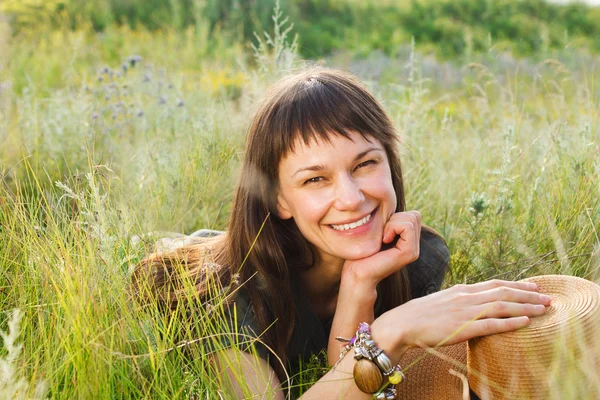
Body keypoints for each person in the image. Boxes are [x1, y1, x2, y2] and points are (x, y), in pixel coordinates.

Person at [132, 67, 551, 399]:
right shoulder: (231, 290)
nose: (351, 199)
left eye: (365, 164)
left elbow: (348, 381)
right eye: (315, 180)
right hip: (192, 269)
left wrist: (360, 281)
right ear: (279, 200)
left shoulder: (417, 255)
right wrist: (388, 332)